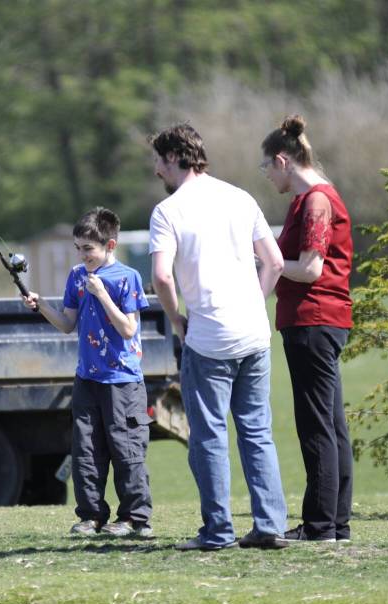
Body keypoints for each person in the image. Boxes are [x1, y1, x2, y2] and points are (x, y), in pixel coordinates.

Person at [148, 123, 288, 551]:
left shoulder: (167, 212)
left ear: (174, 158)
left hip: (208, 338)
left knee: (209, 436)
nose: (156, 170)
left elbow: (161, 277)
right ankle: (270, 525)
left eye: (158, 161)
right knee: (257, 431)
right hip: (254, 334)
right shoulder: (241, 198)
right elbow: (275, 262)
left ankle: (218, 531)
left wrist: (176, 321)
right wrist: (254, 302)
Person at [23, 207, 154, 538]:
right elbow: (67, 324)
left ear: (110, 245)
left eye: (88, 249)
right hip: (87, 379)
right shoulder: (77, 276)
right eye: (78, 248)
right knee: (86, 451)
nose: (82, 256)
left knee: (126, 450)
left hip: (123, 381)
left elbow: (128, 329)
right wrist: (42, 306)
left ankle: (135, 519)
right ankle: (91, 516)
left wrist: (102, 294)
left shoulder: (127, 277)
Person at [261, 115, 354, 542]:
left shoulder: (316, 200)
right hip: (322, 321)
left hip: (312, 321)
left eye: (267, 166)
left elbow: (311, 268)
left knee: (316, 425)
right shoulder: (312, 199)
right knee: (331, 424)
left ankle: (320, 526)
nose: (267, 175)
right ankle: (335, 523)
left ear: (282, 161)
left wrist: (267, 262)